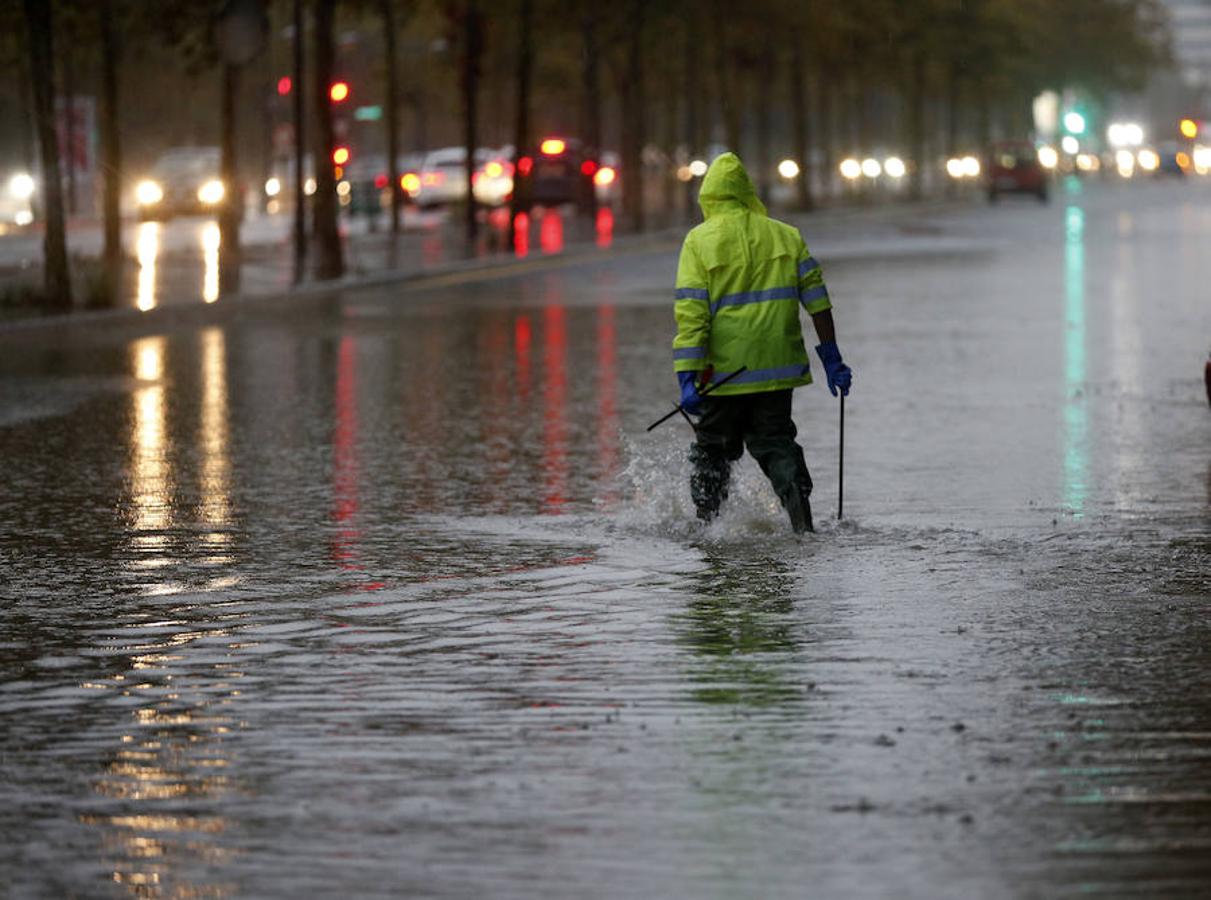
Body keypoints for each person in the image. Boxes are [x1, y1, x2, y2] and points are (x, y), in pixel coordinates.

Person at [672, 152, 852, 534]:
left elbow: (692, 316)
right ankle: (802, 524)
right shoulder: (786, 235)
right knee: (777, 445)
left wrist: (686, 377)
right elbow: (817, 300)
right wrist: (831, 357)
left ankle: (708, 531)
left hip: (721, 375)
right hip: (776, 372)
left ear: (709, 197)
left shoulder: (698, 242)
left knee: (712, 452)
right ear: (747, 192)